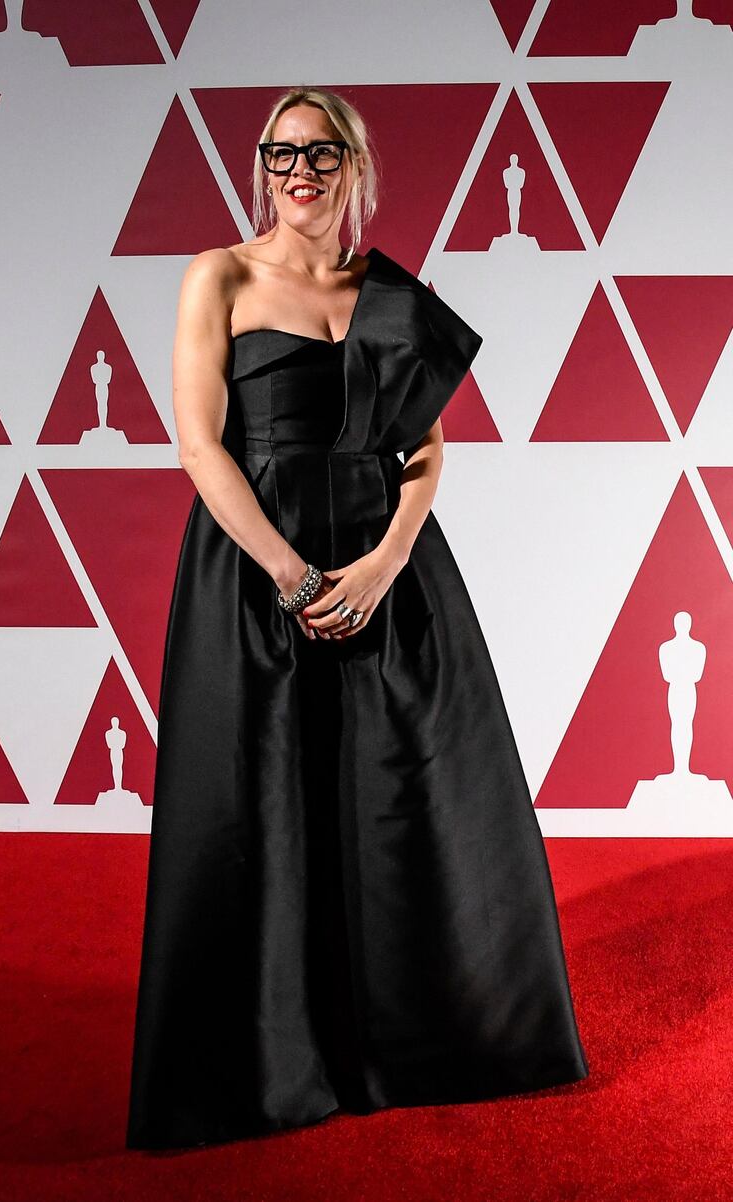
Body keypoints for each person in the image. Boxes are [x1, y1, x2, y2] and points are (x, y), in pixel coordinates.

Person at [125, 86, 589, 1152]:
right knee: (266, 805)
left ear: (352, 167)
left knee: (402, 811)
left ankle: (426, 1046)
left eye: (319, 153)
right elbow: (202, 447)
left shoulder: (388, 292)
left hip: (391, 581)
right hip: (257, 581)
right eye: (279, 153)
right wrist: (291, 573)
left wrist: (382, 561)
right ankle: (273, 1064)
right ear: (260, 166)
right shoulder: (220, 276)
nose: (298, 171)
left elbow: (423, 452)